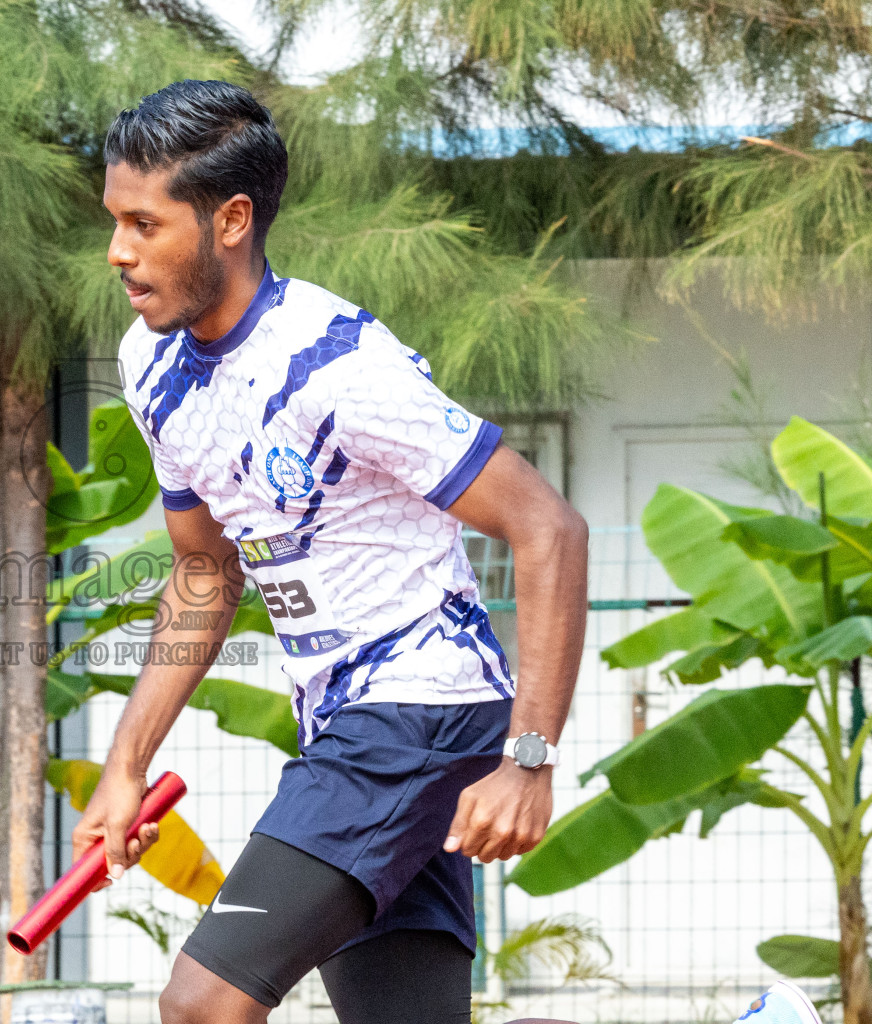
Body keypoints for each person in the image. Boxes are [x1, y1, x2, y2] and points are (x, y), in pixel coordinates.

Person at [77, 79, 822, 1024]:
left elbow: (549, 527)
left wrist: (530, 760)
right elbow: (202, 572)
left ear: (229, 219)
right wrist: (126, 763)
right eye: (115, 220)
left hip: (417, 710)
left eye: (145, 224)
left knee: (200, 1004)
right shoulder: (152, 363)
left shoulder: (339, 365)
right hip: (340, 716)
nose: (118, 251)